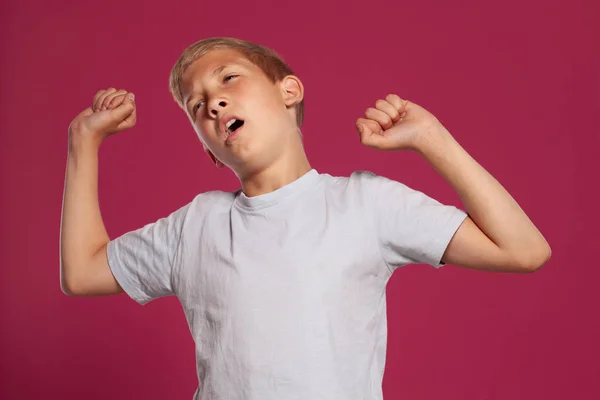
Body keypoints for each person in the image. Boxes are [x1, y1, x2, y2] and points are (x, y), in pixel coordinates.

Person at [60, 37, 551, 399]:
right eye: (197, 105)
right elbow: (82, 273)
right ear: (210, 152)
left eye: (228, 77)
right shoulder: (196, 224)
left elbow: (524, 250)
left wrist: (432, 139)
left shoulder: (366, 204)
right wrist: (82, 142)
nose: (213, 101)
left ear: (288, 90)